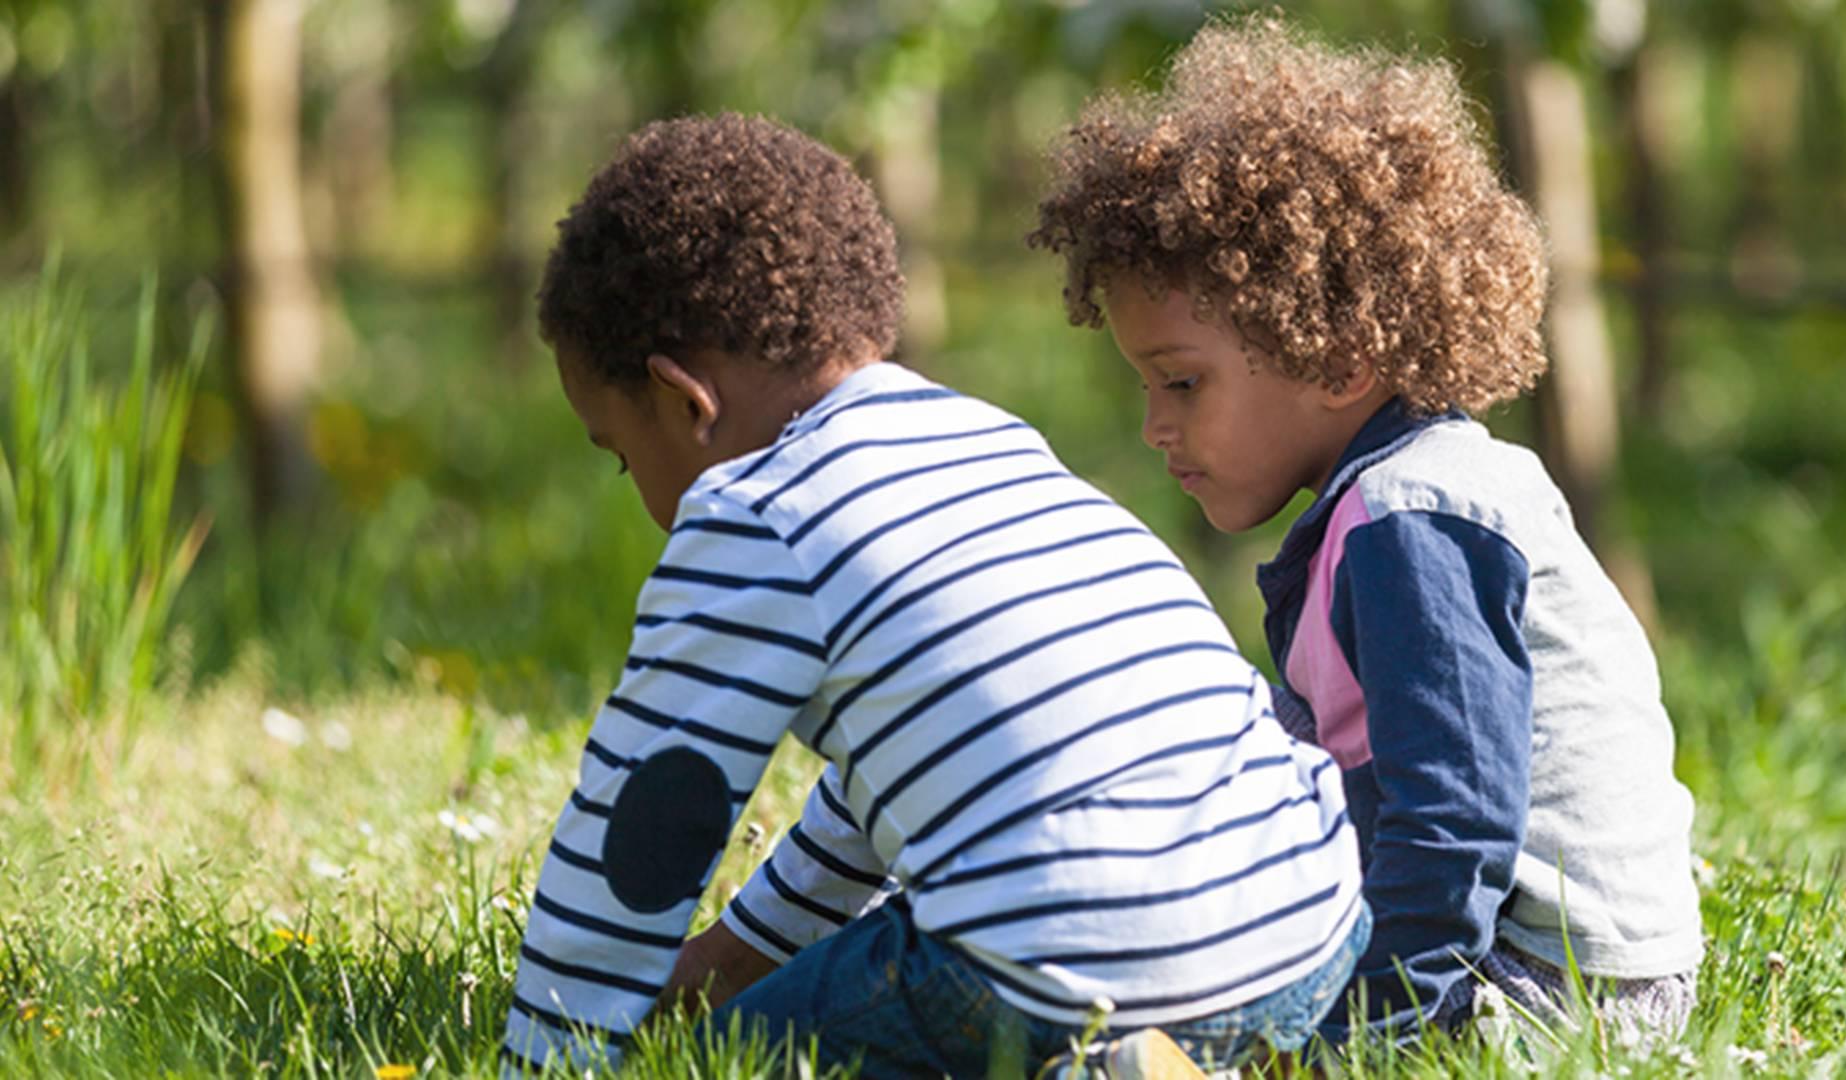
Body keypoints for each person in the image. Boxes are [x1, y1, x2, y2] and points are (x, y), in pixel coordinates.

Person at [502, 111, 1368, 1078]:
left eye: (624, 457)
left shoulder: (749, 515)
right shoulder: (989, 442)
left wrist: (554, 1045)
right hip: (1308, 923)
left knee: (719, 1064)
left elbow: (644, 825)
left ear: (684, 402)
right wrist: (737, 953)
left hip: (1063, 960)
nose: (642, 492)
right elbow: (881, 796)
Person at [1027, 16, 1702, 1044]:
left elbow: (1456, 822)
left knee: (1133, 1036)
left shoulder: (1414, 519)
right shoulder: (1389, 505)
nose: (1156, 427)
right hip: (1514, 957)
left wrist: (1368, 1036)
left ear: (1340, 362)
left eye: (1182, 383)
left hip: (1545, 986)